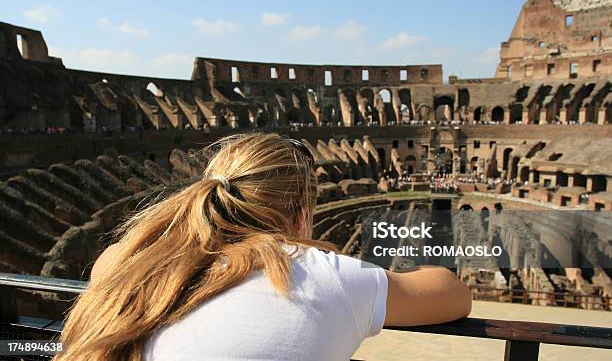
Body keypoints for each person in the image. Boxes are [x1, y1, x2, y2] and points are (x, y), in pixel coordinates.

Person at [56, 133, 471, 361]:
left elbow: (116, 257)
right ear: (300, 213)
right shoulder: (325, 275)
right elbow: (452, 293)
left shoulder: (125, 263)